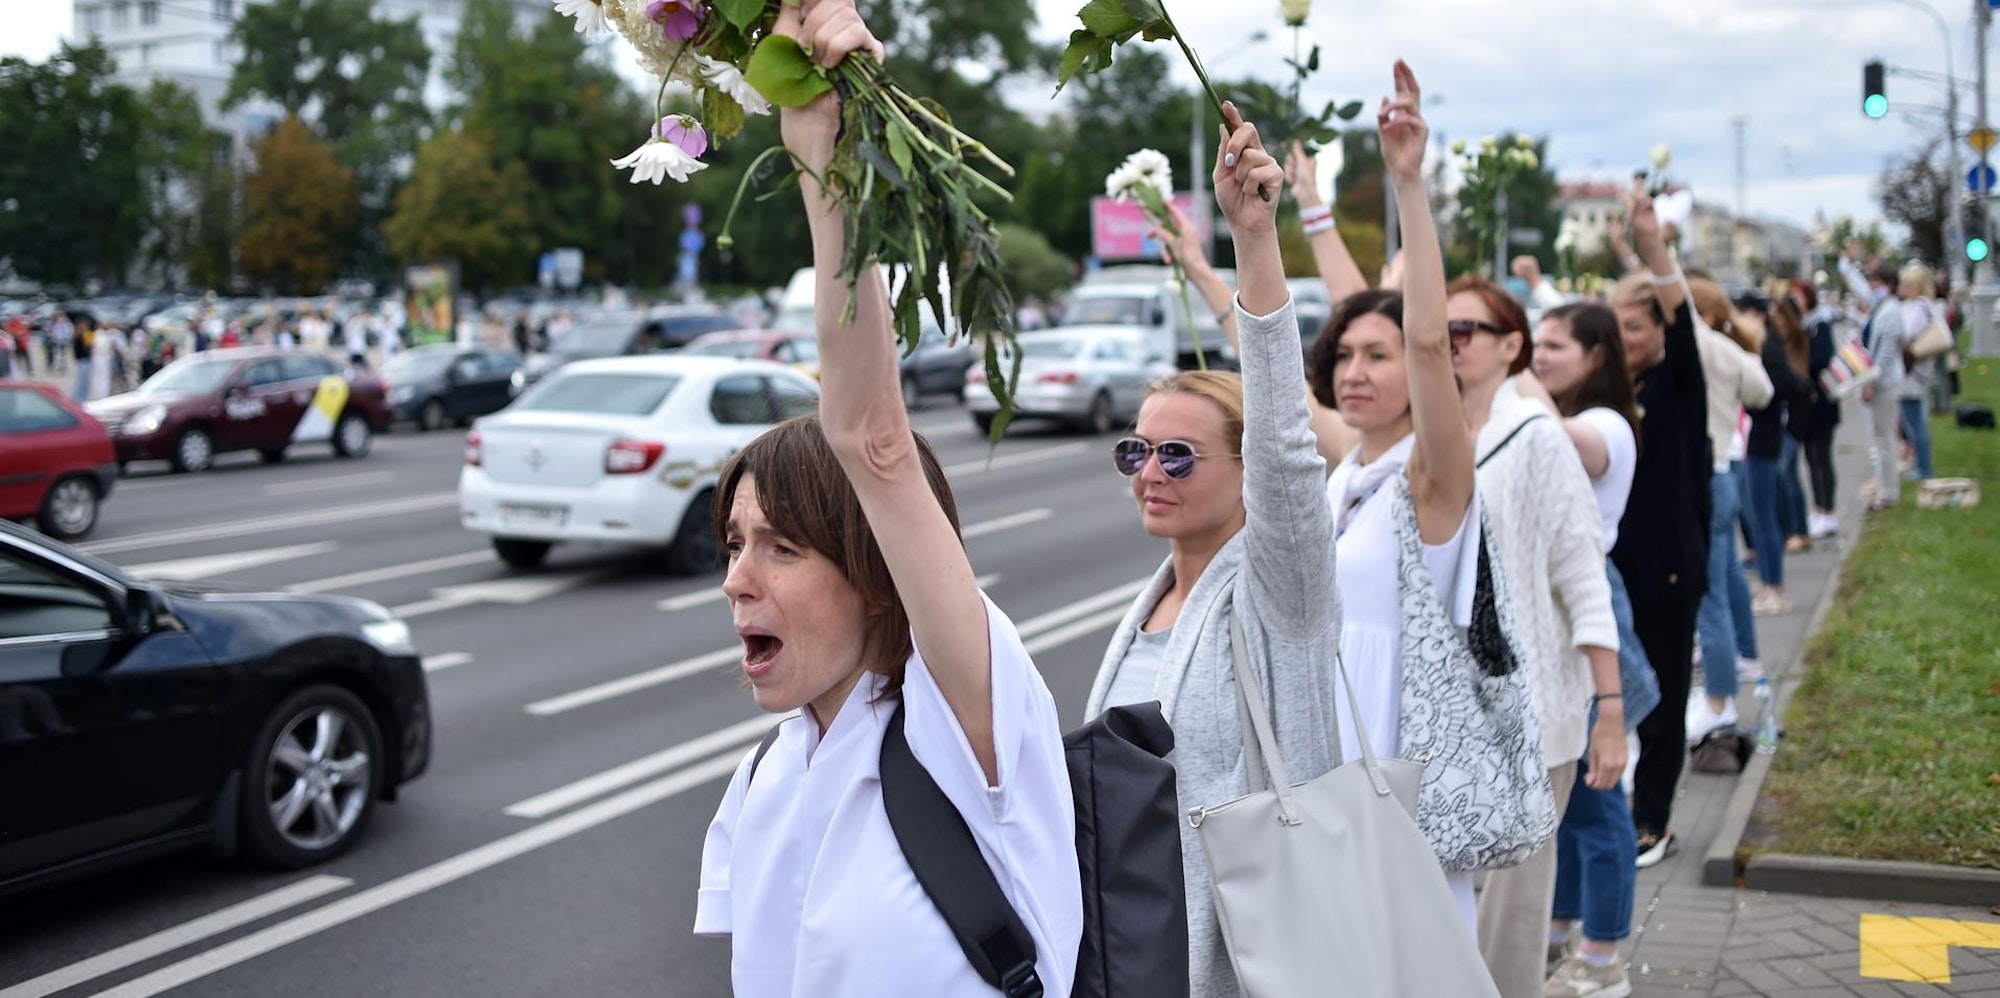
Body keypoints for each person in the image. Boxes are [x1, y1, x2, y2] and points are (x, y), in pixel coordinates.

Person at [692, 4, 1081, 996]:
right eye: (732, 542)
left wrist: (823, 146)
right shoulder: (764, 780)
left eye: (779, 546)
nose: (736, 578)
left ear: (870, 573)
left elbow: (872, 439)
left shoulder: (965, 720)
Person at [1087, 103, 1347, 998]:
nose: (1149, 472)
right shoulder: (1152, 601)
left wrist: (1253, 242)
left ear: (1244, 477)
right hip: (1141, 947)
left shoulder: (1283, 591)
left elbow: (1283, 443)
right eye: (1136, 451)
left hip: (1255, 962)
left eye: (1178, 455)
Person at [1303, 61, 1500, 926]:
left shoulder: (1433, 475)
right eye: (1343, 357)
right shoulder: (1350, 466)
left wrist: (1407, 184)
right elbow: (1334, 321)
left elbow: (1422, 340)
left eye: (1373, 358)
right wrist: (1265, 228)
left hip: (1401, 761)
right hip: (1325, 760)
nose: (1355, 371)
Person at [1449, 276, 1623, 998]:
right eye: (1437, 328)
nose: (1447, 342)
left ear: (1510, 346)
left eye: (1466, 331)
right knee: (1449, 905)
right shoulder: (1413, 434)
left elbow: (1583, 577)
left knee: (1513, 917)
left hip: (1532, 710)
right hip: (1440, 709)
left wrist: (1608, 710)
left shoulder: (1535, 436)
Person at [1525, 303, 1650, 998]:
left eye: (1553, 346)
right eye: (1534, 345)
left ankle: (1603, 959)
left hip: (1590, 612)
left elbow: (1563, 438)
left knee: (1599, 801)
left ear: (1596, 356)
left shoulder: (1604, 427)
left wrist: (1507, 368)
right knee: (1563, 796)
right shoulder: (1545, 418)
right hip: (1558, 617)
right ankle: (1554, 933)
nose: (1539, 358)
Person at [1604, 186, 1709, 870]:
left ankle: (1654, 818)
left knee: (1664, 699)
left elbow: (1684, 322)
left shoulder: (1679, 381)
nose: (1623, 338)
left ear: (1662, 333)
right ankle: (1609, 809)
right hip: (1615, 567)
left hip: (1668, 567)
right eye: (1615, 327)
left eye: (1635, 328)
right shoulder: (1611, 390)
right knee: (1615, 693)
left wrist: (1653, 248)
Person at [1682, 277, 1770, 743]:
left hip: (1703, 477)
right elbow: (1762, 393)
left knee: (1708, 599)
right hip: (1724, 470)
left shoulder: (1696, 342)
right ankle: (1738, 668)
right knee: (1725, 578)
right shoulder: (1727, 348)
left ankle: (1718, 701)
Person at [1789, 282, 1842, 539]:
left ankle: (1828, 510)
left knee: (1822, 456)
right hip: (1806, 405)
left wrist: (1800, 366)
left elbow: (1822, 358)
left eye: (1797, 296)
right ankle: (1819, 509)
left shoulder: (1820, 323)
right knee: (1811, 457)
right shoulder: (1803, 324)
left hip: (1822, 400)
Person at [1892, 263, 1942, 485]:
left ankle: (1923, 468)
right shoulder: (1914, 305)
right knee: (1912, 420)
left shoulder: (1919, 307)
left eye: (1906, 284)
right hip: (1912, 372)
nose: (1901, 287)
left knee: (1915, 421)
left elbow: (1907, 334)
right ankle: (1919, 464)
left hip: (1912, 373)